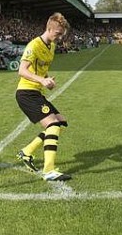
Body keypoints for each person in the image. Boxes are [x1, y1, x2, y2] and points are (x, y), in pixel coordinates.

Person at [15, 12, 72, 182]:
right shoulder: (34, 45)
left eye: (61, 34)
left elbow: (41, 68)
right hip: (26, 93)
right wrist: (41, 80)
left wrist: (47, 79)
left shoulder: (52, 46)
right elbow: (22, 70)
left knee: (61, 122)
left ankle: (26, 152)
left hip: (36, 92)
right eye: (58, 34)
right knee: (53, 125)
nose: (60, 37)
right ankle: (49, 170)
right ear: (49, 28)